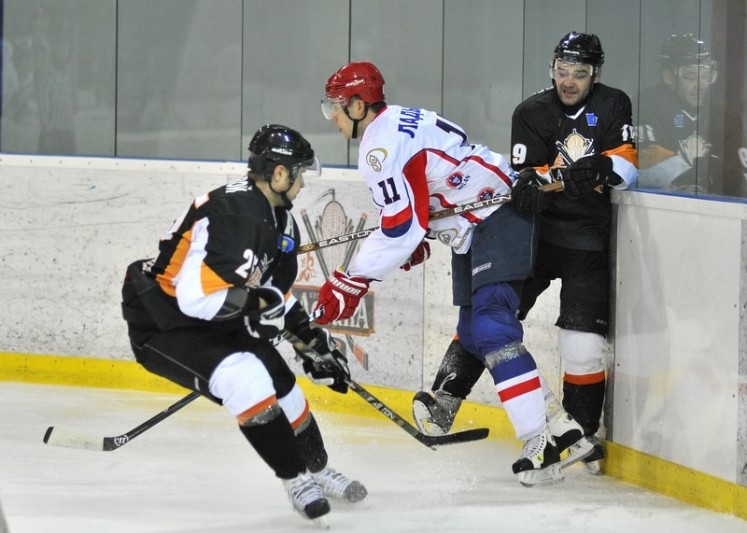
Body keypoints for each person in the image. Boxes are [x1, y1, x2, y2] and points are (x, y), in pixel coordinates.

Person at [316, 61, 594, 487]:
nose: (331, 116)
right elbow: (423, 194)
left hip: (497, 212)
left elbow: (400, 227)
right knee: (473, 330)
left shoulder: (378, 149)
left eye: (335, 106)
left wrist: (351, 280)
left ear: (358, 105)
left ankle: (540, 441)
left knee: (492, 325)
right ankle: (565, 429)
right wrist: (417, 230)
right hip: (474, 220)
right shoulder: (397, 121)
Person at [412, 32, 639, 475]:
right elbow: (526, 177)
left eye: (579, 73)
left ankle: (580, 435)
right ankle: (445, 400)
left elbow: (627, 169)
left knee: (583, 346)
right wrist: (533, 185)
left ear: (595, 74)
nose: (568, 80)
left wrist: (602, 168)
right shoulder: (531, 111)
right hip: (534, 236)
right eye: (561, 70)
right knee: (489, 318)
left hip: (588, 240)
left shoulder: (614, 103)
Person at [120, 124, 367, 525]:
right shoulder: (235, 215)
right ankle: (296, 480)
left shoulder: (278, 220)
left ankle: (319, 471)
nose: (304, 183)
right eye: (300, 174)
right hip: (165, 321)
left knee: (285, 388)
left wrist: (309, 341)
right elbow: (195, 299)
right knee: (247, 378)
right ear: (279, 173)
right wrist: (259, 308)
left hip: (216, 314)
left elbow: (268, 291)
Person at [636, 34, 745, 196]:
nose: (701, 85)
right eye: (691, 76)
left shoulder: (726, 116)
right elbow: (645, 164)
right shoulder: (646, 106)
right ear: (668, 76)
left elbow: (739, 177)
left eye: (706, 76)